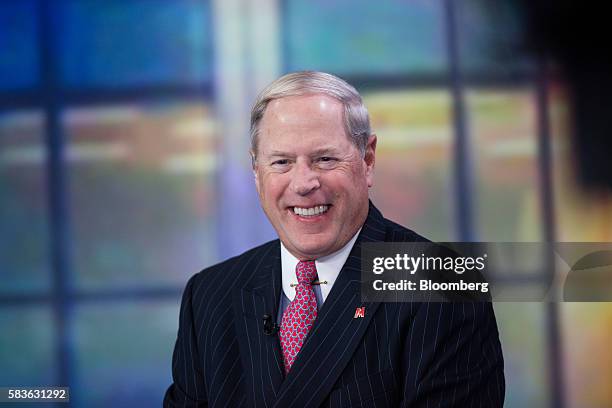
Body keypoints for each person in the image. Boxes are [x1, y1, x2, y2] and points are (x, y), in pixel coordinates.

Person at [164, 71, 505, 407]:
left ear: (367, 160)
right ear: (256, 172)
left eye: (324, 159)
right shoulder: (208, 295)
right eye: (281, 162)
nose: (303, 183)